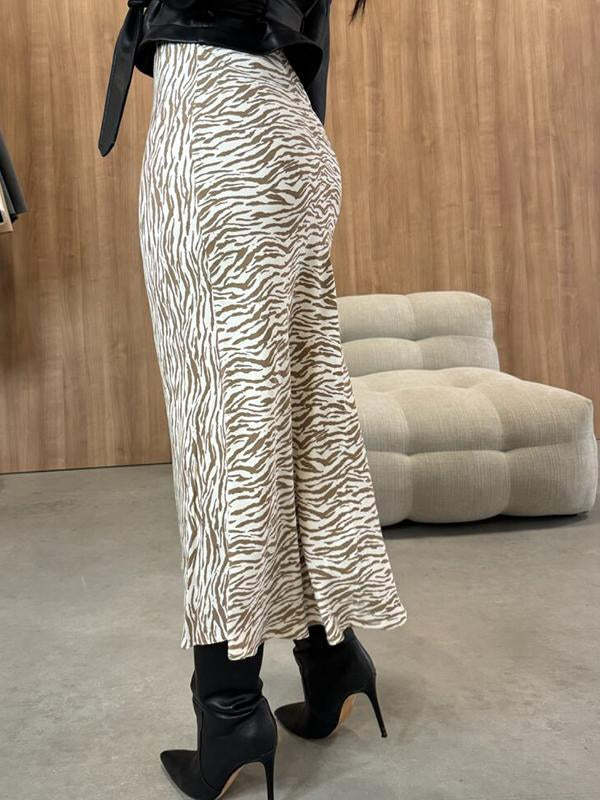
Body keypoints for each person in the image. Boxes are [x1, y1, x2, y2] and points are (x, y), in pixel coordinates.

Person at [99, 2, 407, 798]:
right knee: (301, 416)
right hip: (288, 130)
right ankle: (331, 659)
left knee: (222, 431)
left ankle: (230, 708)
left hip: (214, 124)